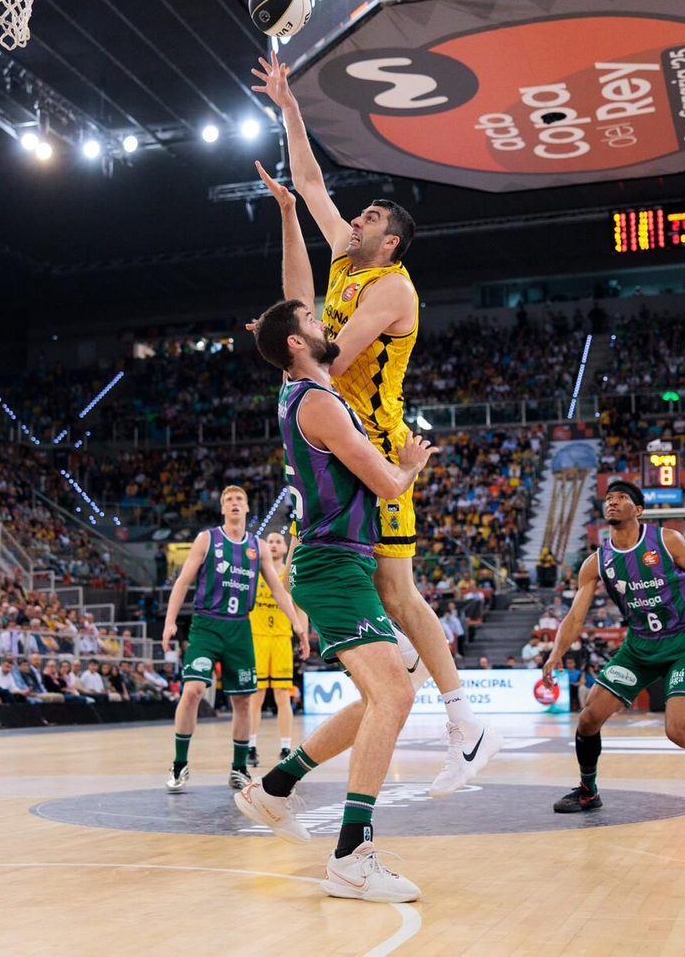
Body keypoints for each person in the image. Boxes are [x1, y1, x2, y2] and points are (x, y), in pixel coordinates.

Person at [253, 59, 505, 791]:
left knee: (397, 590)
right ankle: (434, 701)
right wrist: (289, 106)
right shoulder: (344, 261)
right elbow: (311, 184)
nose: (356, 219)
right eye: (358, 215)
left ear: (390, 241)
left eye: (370, 219)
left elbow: (333, 356)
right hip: (337, 437)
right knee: (380, 589)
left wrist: (281, 341)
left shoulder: (392, 288)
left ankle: (464, 723)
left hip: (378, 442)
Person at [230, 293, 438, 903]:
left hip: (338, 562)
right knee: (396, 694)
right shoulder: (318, 402)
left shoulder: (300, 391)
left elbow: (291, 300)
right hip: (332, 565)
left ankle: (273, 788)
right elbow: (388, 484)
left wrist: (294, 225)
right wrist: (411, 464)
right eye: (313, 320)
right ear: (297, 343)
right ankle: (351, 856)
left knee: (393, 688)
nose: (326, 323)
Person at [543, 480, 685, 815]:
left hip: (682, 645)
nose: (613, 502)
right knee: (588, 719)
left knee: (680, 733)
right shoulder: (597, 561)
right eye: (609, 498)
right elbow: (575, 616)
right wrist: (556, 652)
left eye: (622, 498)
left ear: (639, 510)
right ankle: (588, 791)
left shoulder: (667, 540)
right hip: (638, 649)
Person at [161, 484, 306, 792]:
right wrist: (170, 621)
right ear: (223, 508)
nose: (235, 503)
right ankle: (179, 763)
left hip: (240, 628)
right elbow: (183, 581)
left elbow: (278, 589)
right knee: (193, 690)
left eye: (240, 499)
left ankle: (239, 767)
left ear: (248, 508)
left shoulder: (258, 546)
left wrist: (297, 625)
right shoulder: (207, 539)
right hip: (207, 625)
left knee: (243, 701)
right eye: (229, 499)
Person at [246, 528, 307, 766]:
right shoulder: (254, 572)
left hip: (281, 638)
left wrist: (302, 636)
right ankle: (250, 746)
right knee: (256, 695)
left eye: (278, 541)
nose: (273, 544)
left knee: (283, 694)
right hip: (257, 638)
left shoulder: (290, 575)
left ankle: (285, 747)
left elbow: (300, 607)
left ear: (284, 548)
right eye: (269, 541)